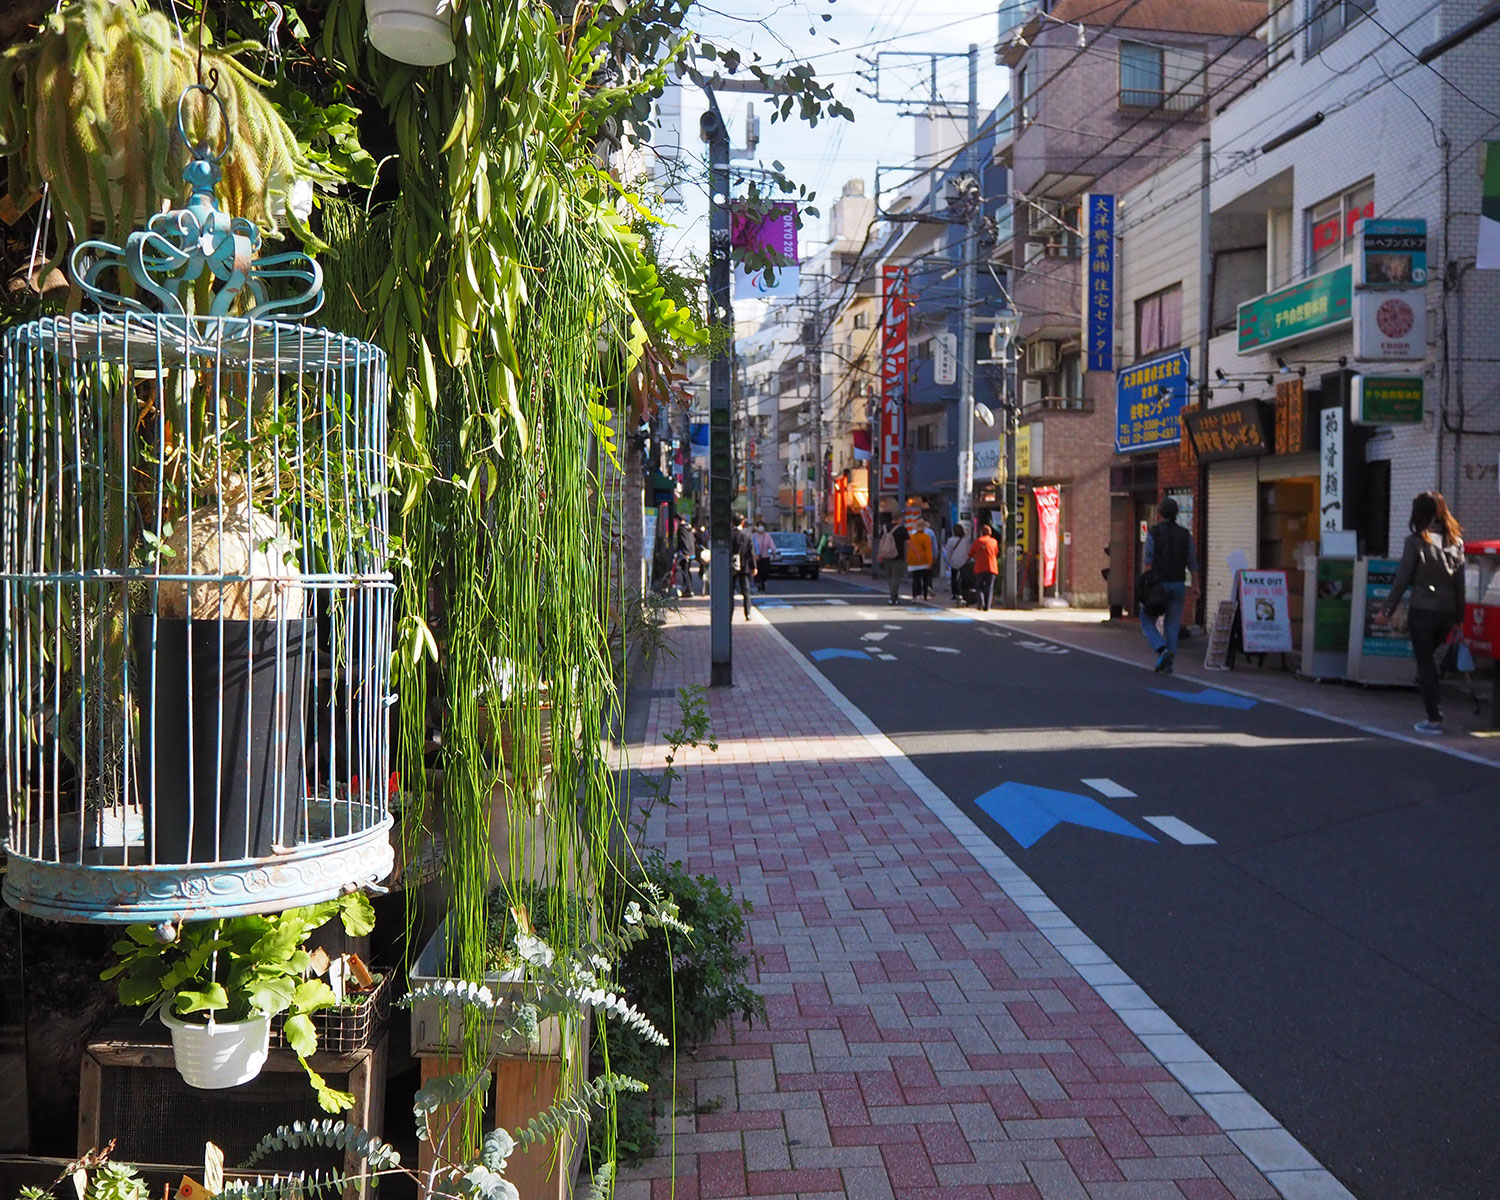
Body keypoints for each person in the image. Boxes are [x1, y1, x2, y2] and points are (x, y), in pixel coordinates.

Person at [1381, 490, 1466, 734]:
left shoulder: (1416, 541)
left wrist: (1387, 610)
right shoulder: (1456, 542)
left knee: (1425, 663)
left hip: (1423, 611)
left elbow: (1402, 579)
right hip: (1447, 614)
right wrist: (1459, 617)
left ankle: (1434, 718)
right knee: (1430, 661)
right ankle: (1434, 704)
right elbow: (1460, 584)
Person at [1139, 496, 1198, 674]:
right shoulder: (1185, 534)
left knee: (1147, 619)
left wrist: (1145, 582)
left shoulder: (1154, 533)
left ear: (1160, 513)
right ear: (1176, 514)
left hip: (1158, 585)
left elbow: (1148, 561)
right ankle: (1169, 662)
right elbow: (1192, 562)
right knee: (1172, 624)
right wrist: (1196, 584)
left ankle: (1161, 649)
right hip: (1179, 583)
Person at [876, 517, 908, 606]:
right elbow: (908, 542)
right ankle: (894, 597)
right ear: (898, 518)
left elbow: (881, 541)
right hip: (898, 556)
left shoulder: (884, 528)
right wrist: (916, 553)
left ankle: (892, 596)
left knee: (890, 577)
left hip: (886, 555)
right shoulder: (902, 529)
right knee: (896, 578)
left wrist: (880, 553)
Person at [731, 517, 757, 621]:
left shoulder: (730, 534)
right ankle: (748, 613)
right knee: (746, 591)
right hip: (744, 566)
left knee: (730, 591)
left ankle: (730, 614)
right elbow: (751, 552)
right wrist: (753, 566)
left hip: (731, 566)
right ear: (742, 522)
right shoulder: (747, 534)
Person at [969, 523, 1000, 611]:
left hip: (980, 567)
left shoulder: (978, 541)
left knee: (978, 586)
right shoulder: (994, 542)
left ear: (981, 532)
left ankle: (981, 603)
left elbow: (970, 553)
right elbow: (996, 552)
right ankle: (987, 606)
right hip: (992, 567)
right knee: (989, 587)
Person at [907, 517, 937, 601]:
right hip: (924, 561)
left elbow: (910, 549)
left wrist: (909, 560)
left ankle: (915, 595)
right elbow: (929, 550)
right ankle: (925, 595)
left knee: (915, 579)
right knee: (925, 578)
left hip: (914, 561)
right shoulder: (927, 536)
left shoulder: (911, 536)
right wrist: (930, 561)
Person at [943, 522, 972, 604]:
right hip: (964, 561)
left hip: (954, 561)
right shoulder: (965, 541)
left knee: (954, 577)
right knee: (963, 578)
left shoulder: (950, 540)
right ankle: (962, 592)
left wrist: (947, 562)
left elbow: (948, 552)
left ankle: (954, 593)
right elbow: (968, 551)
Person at [674, 519, 697, 597]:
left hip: (685, 553)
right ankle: (689, 589)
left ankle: (688, 590)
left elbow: (684, 541)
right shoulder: (688, 528)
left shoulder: (682, 528)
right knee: (687, 570)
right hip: (691, 552)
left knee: (685, 571)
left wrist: (685, 553)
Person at [752, 522, 775, 594]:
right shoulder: (754, 536)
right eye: (759, 526)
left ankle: (763, 583)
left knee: (765, 572)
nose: (760, 527)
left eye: (762, 526)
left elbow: (772, 545)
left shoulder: (767, 536)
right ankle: (759, 586)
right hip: (756, 558)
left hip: (765, 557)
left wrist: (774, 552)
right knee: (757, 573)